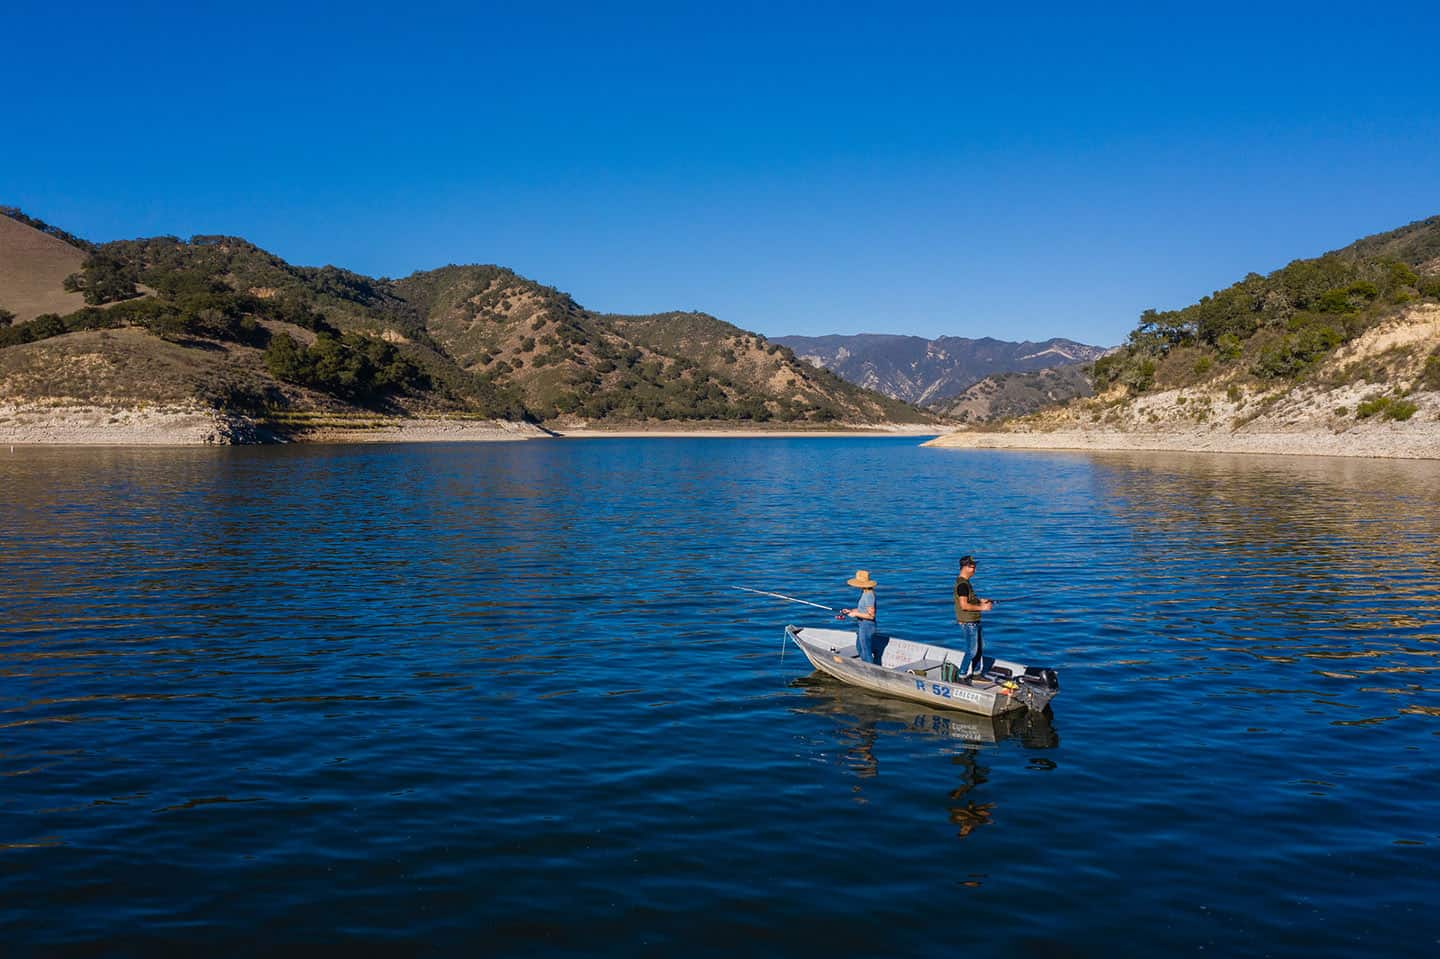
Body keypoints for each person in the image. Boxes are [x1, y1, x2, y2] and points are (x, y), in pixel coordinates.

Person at [953, 555, 993, 676]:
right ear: (965, 567)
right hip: (968, 623)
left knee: (979, 649)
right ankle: (962, 674)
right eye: (972, 567)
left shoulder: (966, 583)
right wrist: (983, 608)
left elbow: (969, 600)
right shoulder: (962, 585)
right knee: (971, 651)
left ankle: (976, 673)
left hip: (975, 621)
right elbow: (964, 605)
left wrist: (980, 601)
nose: (974, 570)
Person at [841, 570, 879, 664]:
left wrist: (855, 614)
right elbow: (863, 610)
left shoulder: (869, 595)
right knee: (859, 647)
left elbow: (871, 615)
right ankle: (865, 666)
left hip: (867, 626)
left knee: (866, 651)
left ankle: (870, 670)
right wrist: (851, 611)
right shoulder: (865, 592)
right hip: (862, 625)